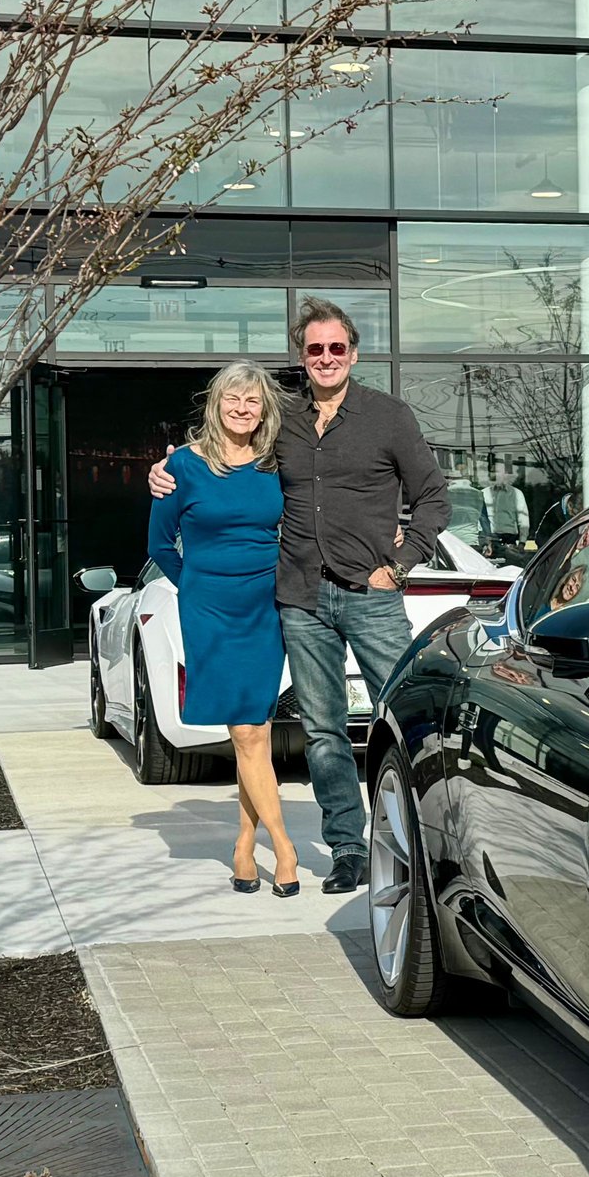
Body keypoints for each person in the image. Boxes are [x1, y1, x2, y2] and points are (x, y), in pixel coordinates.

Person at [150, 298, 449, 894]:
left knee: (406, 723)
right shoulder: (280, 423)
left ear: (353, 353)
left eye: (337, 348)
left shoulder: (388, 417)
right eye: (315, 349)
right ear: (303, 357)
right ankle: (347, 849)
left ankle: (430, 846)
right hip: (300, 599)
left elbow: (435, 500)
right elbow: (218, 458)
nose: (326, 358)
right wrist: (163, 472)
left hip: (370, 594)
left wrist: (399, 566)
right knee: (322, 730)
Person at [147, 360, 302, 899]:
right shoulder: (183, 468)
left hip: (265, 605)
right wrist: (195, 587)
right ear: (215, 404)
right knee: (246, 733)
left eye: (253, 401)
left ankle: (243, 842)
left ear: (265, 409)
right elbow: (159, 545)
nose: (243, 408)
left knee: (251, 733)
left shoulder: (276, 463)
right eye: (233, 399)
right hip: (210, 610)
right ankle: (284, 847)